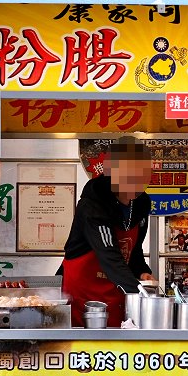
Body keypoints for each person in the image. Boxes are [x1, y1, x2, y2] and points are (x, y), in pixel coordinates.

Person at [61, 136, 155, 327]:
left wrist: (143, 272)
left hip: (116, 292)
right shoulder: (93, 206)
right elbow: (109, 255)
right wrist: (140, 294)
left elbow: (133, 252)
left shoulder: (142, 203)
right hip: (85, 297)